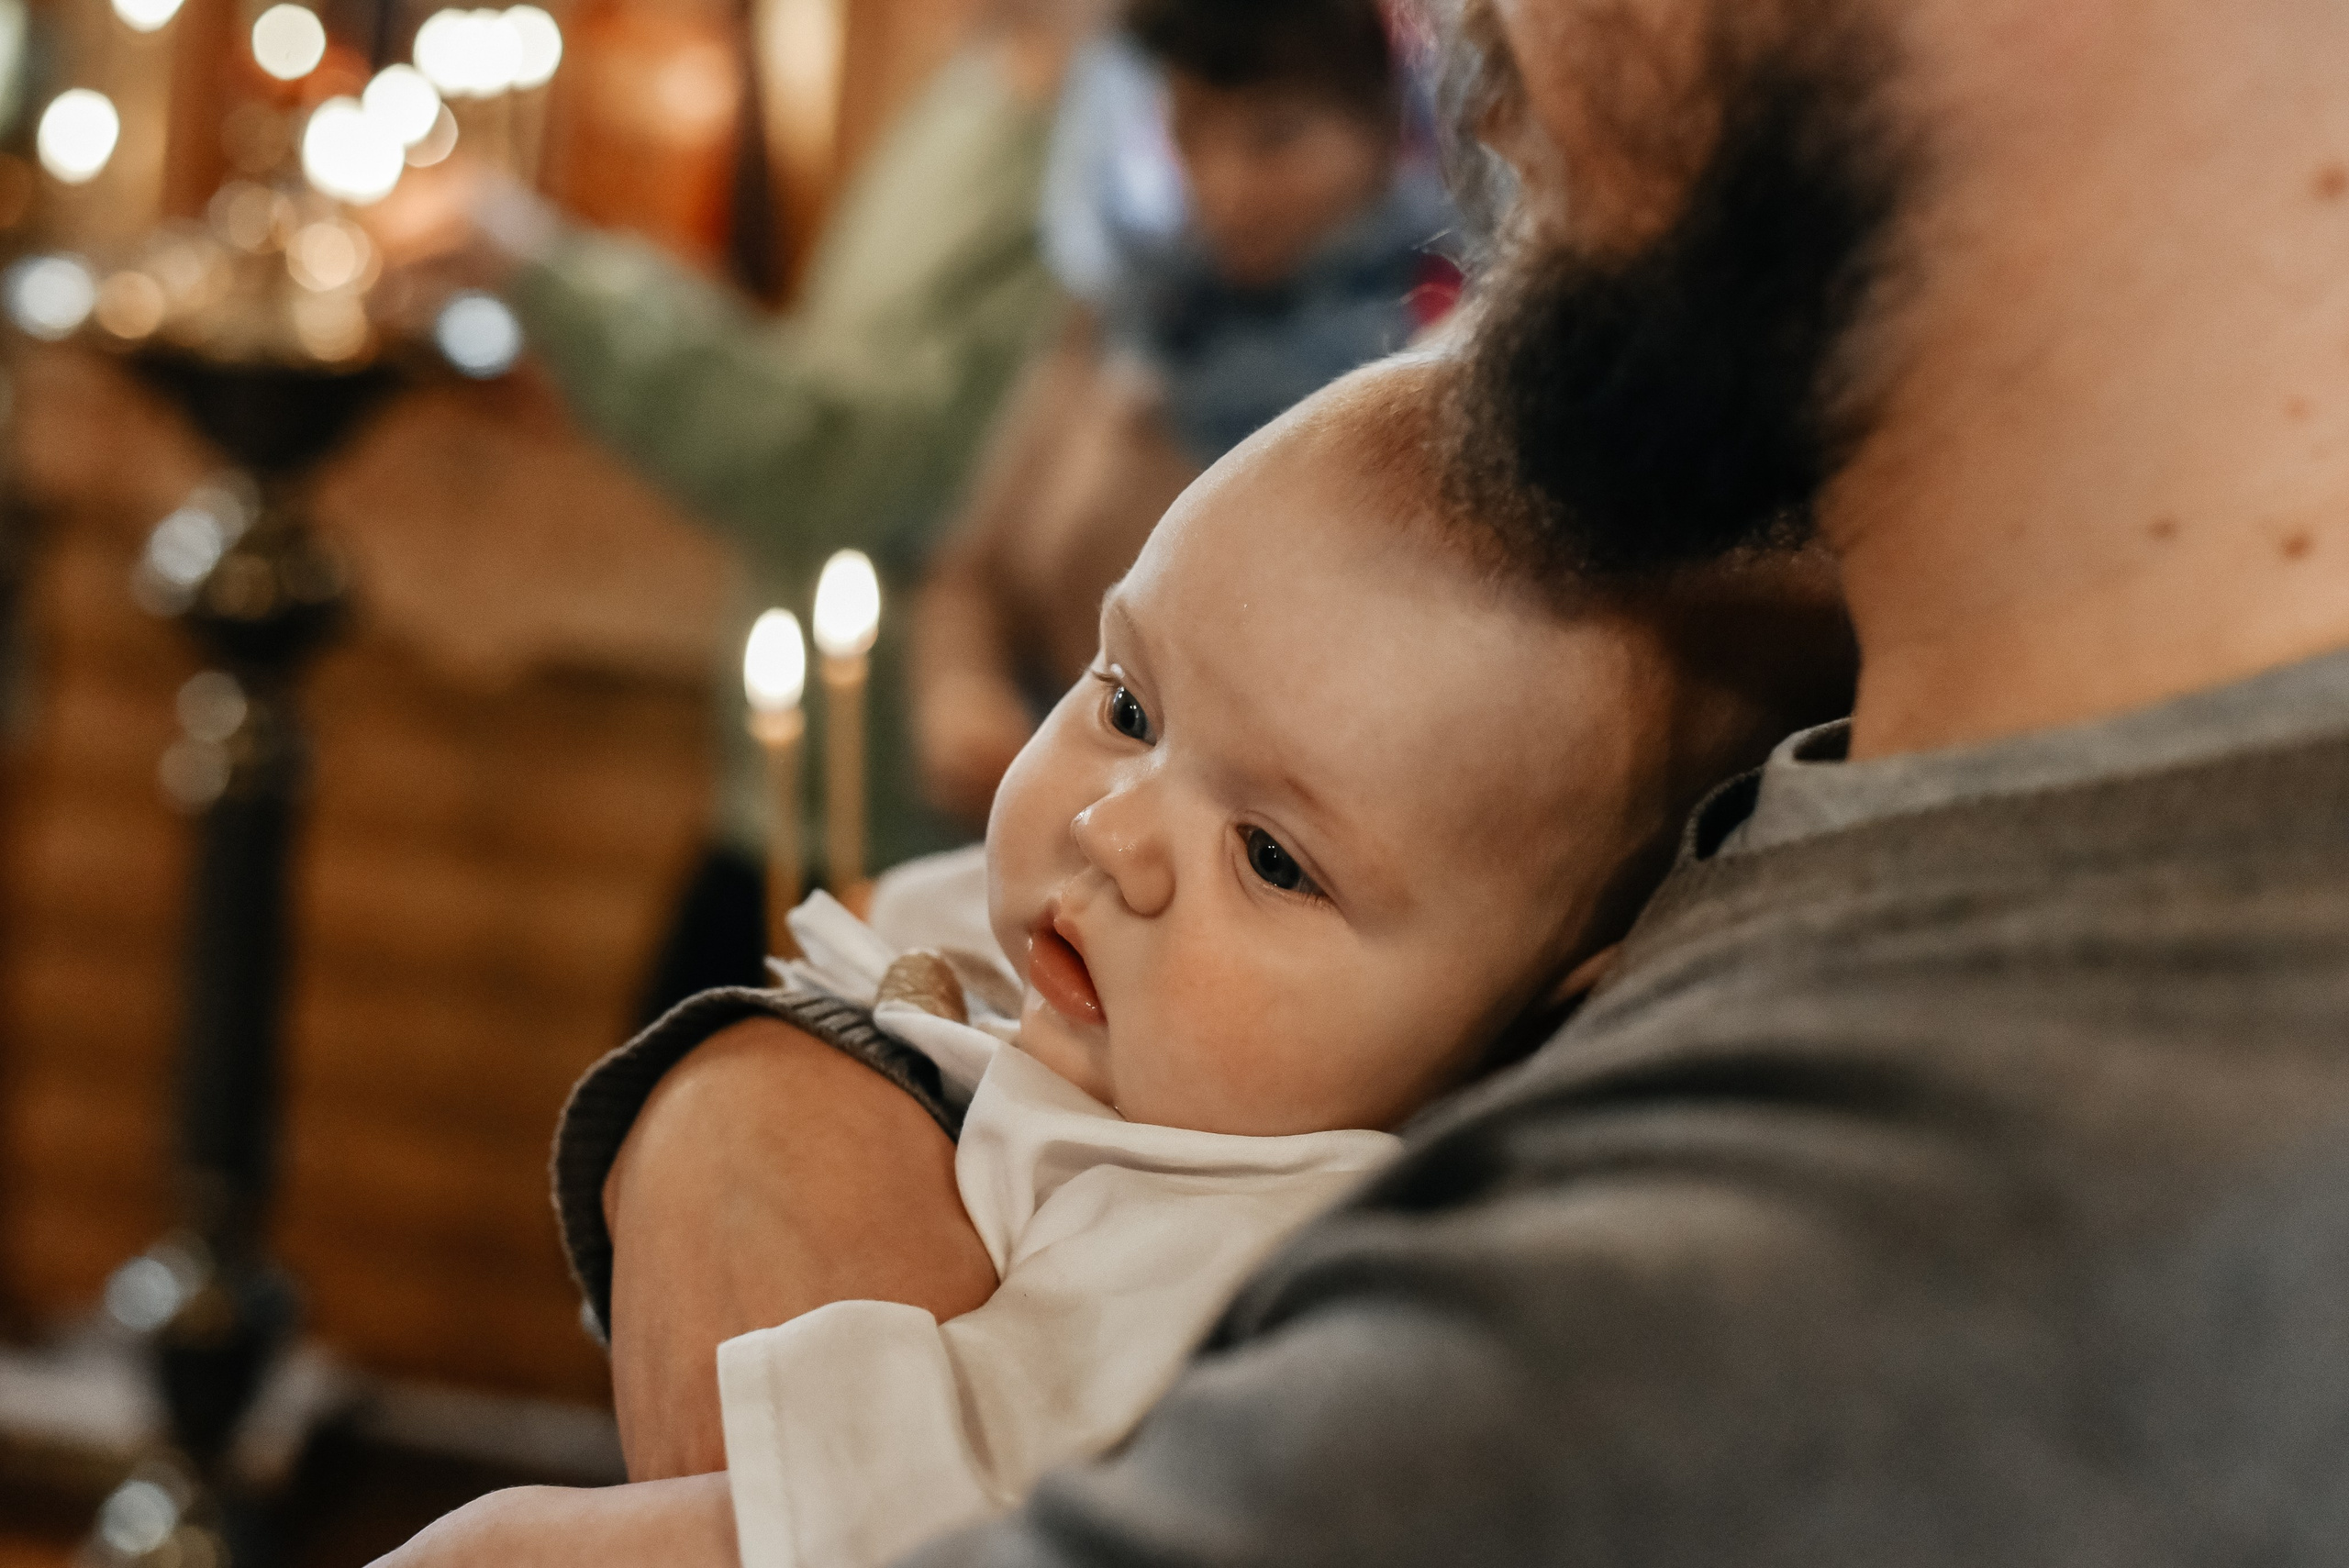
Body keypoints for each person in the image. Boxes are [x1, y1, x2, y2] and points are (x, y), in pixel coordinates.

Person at [382, 0, 2349, 1562]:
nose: (1432, 28)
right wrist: (800, 1082)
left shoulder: (2015, 1218)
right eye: (1124, 702)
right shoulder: (1857, 783)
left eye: (1271, 851)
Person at [562, 355, 1847, 1565]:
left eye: (1275, 860)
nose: (1112, 833)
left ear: (1551, 1000)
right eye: (1128, 706)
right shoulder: (1120, 989)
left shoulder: (1243, 1274)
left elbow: (883, 1536)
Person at [376, 0, 1100, 1017]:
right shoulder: (980, 88)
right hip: (788, 790)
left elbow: (854, 465)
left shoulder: (1104, 153)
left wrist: (550, 276)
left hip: (915, 837)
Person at [909, 0, 1462, 825]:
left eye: (1277, 137)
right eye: (1191, 129)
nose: (1225, 188)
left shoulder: (1429, 358)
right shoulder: (1132, 312)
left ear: (1388, 126)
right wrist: (961, 692)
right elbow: (968, 572)